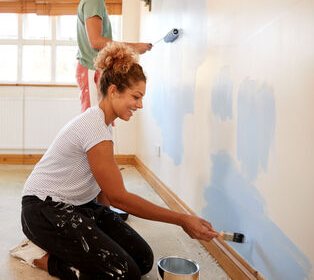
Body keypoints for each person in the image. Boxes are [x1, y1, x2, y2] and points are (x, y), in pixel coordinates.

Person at [17, 42, 220, 279]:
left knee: (143, 259)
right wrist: (182, 219)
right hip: (43, 210)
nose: (140, 104)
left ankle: (69, 249)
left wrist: (104, 224)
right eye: (136, 96)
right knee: (123, 273)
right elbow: (119, 198)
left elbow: (103, 188)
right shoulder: (94, 128)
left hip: (79, 206)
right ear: (113, 90)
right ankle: (40, 256)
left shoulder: (104, 125)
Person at [76, 0, 152, 112]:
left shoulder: (97, 1)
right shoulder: (93, 0)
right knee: (94, 122)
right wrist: (133, 47)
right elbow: (95, 41)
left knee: (102, 120)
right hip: (91, 68)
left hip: (95, 70)